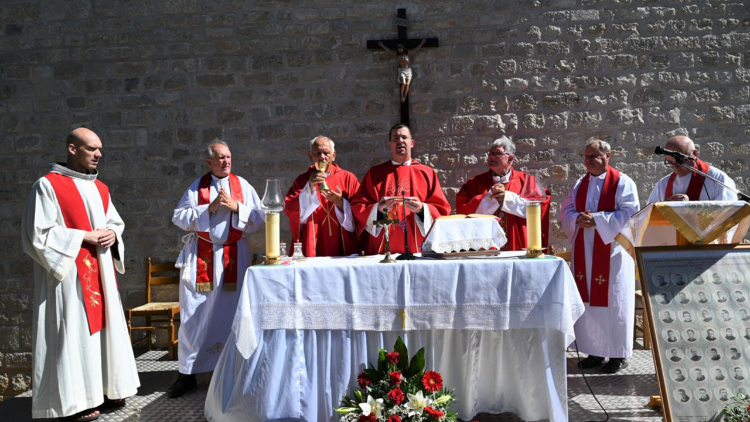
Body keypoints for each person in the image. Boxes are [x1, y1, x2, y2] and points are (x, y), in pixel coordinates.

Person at [21, 128, 140, 420]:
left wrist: (112, 234)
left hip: (99, 274)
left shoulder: (100, 188)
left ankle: (105, 391)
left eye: (100, 149)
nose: (99, 154)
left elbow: (115, 223)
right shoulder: (47, 186)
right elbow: (37, 235)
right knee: (70, 335)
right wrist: (83, 236)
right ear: (72, 149)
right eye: (92, 149)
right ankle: (73, 403)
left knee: (102, 334)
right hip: (69, 278)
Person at [169, 141, 264, 398]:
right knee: (194, 315)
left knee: (236, 312)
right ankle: (187, 374)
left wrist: (237, 207)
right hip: (203, 256)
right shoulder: (196, 188)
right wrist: (208, 208)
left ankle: (236, 368)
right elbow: (178, 217)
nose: (226, 161)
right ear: (209, 161)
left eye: (228, 157)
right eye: (220, 158)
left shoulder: (242, 185)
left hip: (235, 256)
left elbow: (260, 217)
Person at [561, 139, 640, 373]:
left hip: (613, 251)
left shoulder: (623, 182)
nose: (589, 161)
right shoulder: (580, 183)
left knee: (614, 302)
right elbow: (566, 209)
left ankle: (617, 355)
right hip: (585, 249)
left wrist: (596, 219)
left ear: (608, 156)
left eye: (594, 156)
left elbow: (630, 212)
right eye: (586, 156)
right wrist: (576, 219)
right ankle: (594, 352)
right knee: (588, 303)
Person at [351, 124, 451, 254]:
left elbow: (442, 209)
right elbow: (359, 207)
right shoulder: (375, 174)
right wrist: (378, 209)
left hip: (417, 245)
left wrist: (421, 209)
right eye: (395, 138)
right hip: (384, 247)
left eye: (404, 137)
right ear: (390, 145)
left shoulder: (426, 173)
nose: (400, 141)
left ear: (412, 143)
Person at [455, 136, 551, 251]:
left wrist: (508, 199)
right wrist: (490, 198)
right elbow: (463, 208)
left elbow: (541, 205)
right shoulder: (475, 183)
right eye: (490, 153)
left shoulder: (526, 181)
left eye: (497, 154)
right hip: (485, 248)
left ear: (510, 159)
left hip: (518, 245)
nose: (491, 157)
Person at [284, 136, 360, 257]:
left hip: (343, 247)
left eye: (326, 153)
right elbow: (291, 210)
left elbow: (360, 212)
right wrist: (309, 188)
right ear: (310, 156)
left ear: (334, 155)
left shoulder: (348, 179)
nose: (322, 157)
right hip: (312, 245)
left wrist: (340, 203)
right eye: (317, 153)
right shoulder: (302, 181)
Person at [648, 135, 738, 203]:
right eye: (670, 162)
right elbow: (649, 216)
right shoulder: (663, 184)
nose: (675, 167)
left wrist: (690, 206)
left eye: (680, 161)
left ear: (694, 154)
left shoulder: (717, 179)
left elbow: (728, 215)